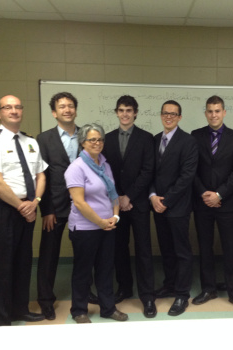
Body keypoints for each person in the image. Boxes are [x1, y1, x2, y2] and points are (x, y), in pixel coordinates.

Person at [0, 95, 47, 327]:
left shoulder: (30, 142)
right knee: (2, 265)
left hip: (28, 206)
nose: (14, 111)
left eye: (17, 107)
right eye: (8, 107)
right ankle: (2, 319)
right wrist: (22, 207)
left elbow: (41, 175)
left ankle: (20, 309)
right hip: (2, 209)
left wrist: (34, 202)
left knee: (23, 261)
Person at [64, 123, 128, 323]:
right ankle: (79, 311)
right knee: (83, 271)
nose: (97, 143)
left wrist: (115, 216)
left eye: (100, 139)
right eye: (92, 139)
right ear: (83, 142)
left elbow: (113, 194)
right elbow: (80, 203)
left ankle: (108, 308)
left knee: (105, 268)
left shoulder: (104, 164)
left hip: (107, 226)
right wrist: (101, 222)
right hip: (85, 228)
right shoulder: (76, 168)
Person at [36, 92, 91, 321]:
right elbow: (41, 175)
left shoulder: (88, 136)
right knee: (49, 255)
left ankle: (87, 293)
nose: (67, 110)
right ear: (54, 112)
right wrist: (46, 209)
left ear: (75, 110)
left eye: (70, 106)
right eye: (62, 106)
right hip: (54, 206)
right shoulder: (43, 139)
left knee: (85, 254)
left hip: (84, 204)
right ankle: (46, 300)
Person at [191, 95, 233, 312]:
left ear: (224, 113)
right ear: (205, 113)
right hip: (202, 202)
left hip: (226, 203)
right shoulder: (195, 136)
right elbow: (192, 169)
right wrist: (204, 193)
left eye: (217, 111)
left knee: (231, 249)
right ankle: (208, 289)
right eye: (210, 111)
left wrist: (219, 194)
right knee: (204, 247)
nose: (213, 115)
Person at [101, 95, 156, 318]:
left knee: (143, 250)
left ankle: (148, 296)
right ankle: (124, 287)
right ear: (116, 112)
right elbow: (104, 172)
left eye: (129, 110)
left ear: (135, 113)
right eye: (121, 110)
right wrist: (118, 197)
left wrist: (129, 196)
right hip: (115, 205)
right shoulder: (107, 138)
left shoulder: (146, 138)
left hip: (138, 203)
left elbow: (148, 170)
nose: (125, 114)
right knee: (119, 249)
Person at [150, 100, 198, 316]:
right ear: (161, 116)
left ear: (179, 117)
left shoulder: (188, 141)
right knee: (166, 249)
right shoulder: (153, 140)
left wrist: (166, 200)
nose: (168, 116)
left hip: (177, 206)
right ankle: (169, 284)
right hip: (157, 205)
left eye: (173, 114)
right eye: (165, 113)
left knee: (182, 251)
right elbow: (148, 171)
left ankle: (181, 294)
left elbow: (186, 176)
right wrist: (152, 196)